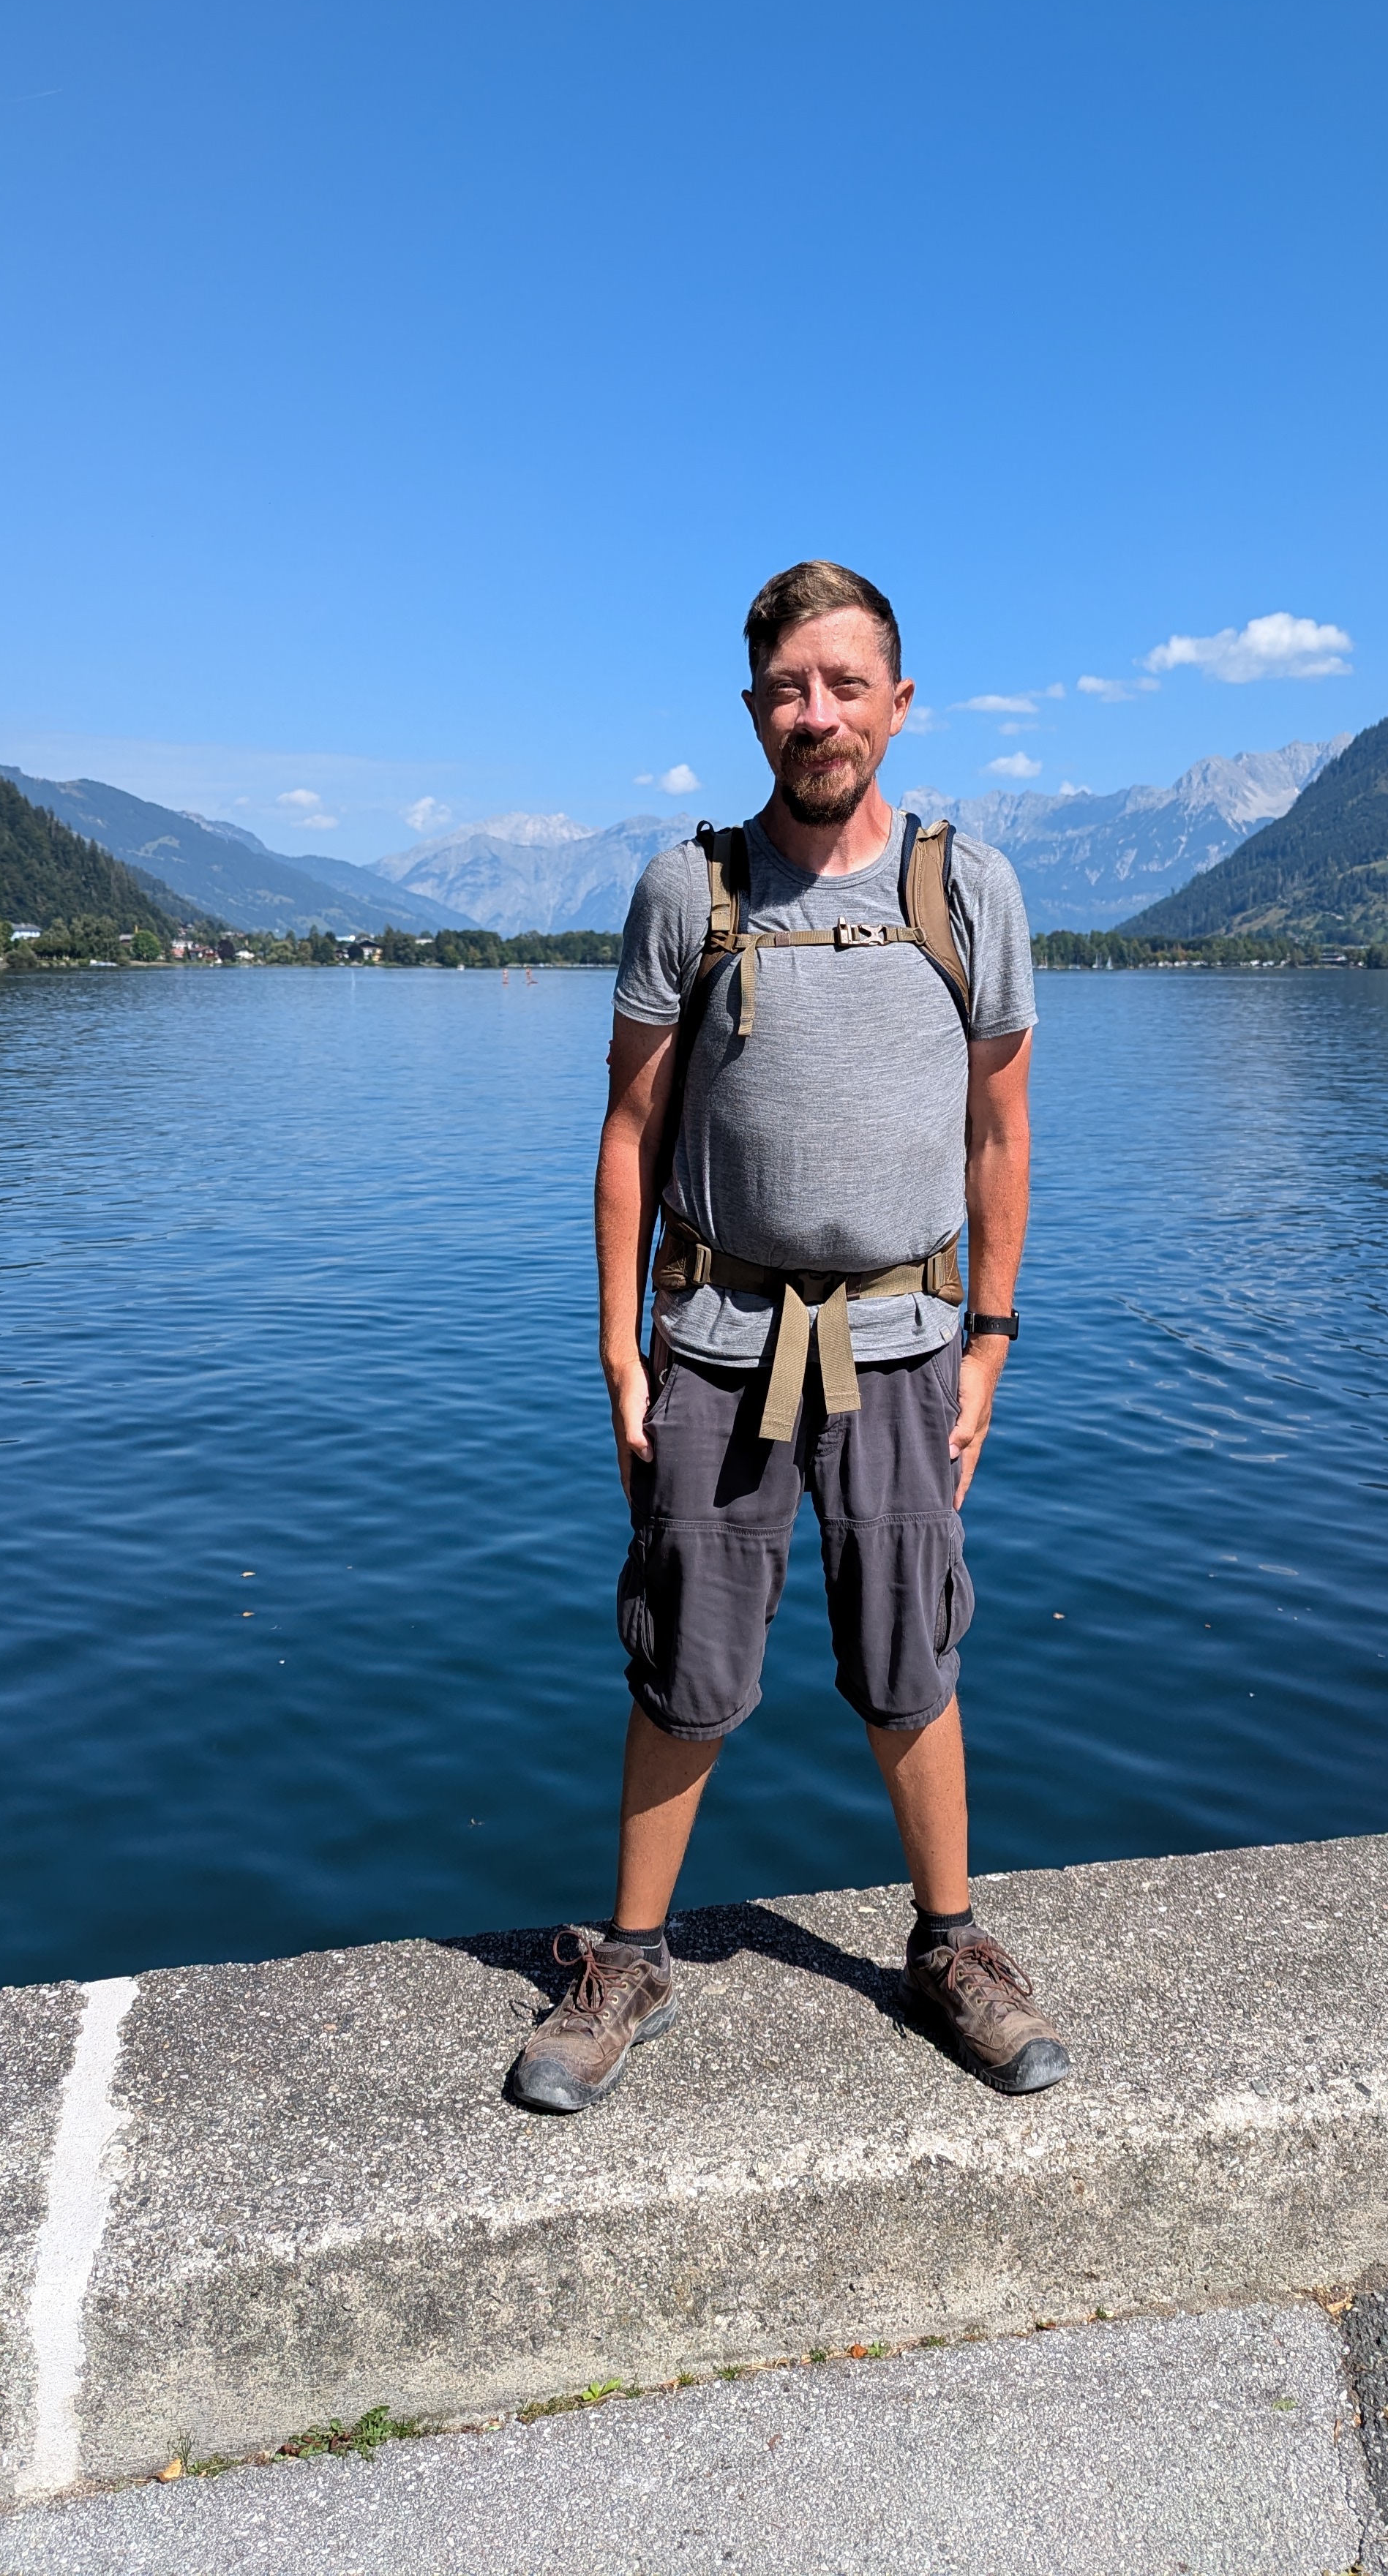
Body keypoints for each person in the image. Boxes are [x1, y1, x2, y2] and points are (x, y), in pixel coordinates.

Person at [507, 560, 1068, 2115]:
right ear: (753, 709)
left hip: (904, 1342)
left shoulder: (968, 893)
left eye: (843, 684)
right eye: (785, 689)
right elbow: (630, 1129)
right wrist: (621, 1347)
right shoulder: (690, 892)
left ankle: (948, 1946)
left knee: (911, 1649)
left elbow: (1001, 1132)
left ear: (899, 702)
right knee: (683, 1655)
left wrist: (991, 1337)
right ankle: (629, 1961)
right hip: (715, 1339)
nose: (814, 714)